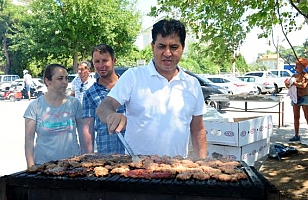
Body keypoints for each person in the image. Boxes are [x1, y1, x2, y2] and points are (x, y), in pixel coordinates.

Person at [96, 19, 207, 159]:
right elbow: (103, 108)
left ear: (182, 47)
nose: (167, 53)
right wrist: (111, 115)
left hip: (177, 172)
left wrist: (203, 164)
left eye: (173, 47)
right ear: (153, 46)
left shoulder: (192, 84)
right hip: (137, 171)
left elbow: (198, 129)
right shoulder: (133, 76)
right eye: (161, 46)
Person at [24, 64, 83, 168]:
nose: (65, 82)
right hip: (44, 165)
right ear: (48, 81)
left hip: (72, 165)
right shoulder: (35, 106)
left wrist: (83, 161)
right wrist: (31, 166)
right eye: (60, 78)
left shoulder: (75, 103)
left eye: (66, 78)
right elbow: (29, 140)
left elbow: (83, 135)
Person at [80, 44, 125, 154]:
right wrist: (88, 156)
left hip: (133, 153)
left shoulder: (127, 86)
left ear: (114, 61)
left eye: (105, 60)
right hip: (106, 156)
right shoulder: (89, 94)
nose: (101, 65)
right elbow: (87, 127)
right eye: (97, 62)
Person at [284, 57, 308, 142]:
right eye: (296, 65)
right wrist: (287, 84)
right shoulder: (294, 76)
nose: (297, 67)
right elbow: (289, 85)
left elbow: (303, 86)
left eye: (299, 65)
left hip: (304, 98)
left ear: (303, 66)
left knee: (307, 116)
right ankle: (296, 135)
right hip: (296, 98)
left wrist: (294, 83)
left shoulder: (306, 75)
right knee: (296, 117)